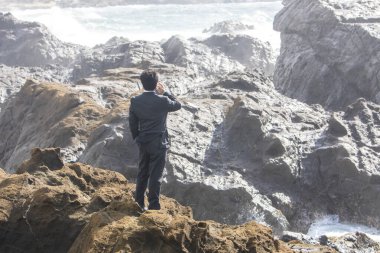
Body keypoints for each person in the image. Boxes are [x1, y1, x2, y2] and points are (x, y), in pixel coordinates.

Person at [129, 70, 181, 210]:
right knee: (156, 175)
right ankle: (154, 205)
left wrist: (137, 138)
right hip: (159, 142)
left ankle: (138, 203)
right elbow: (178, 105)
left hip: (143, 141)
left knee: (142, 173)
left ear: (142, 83)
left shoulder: (135, 101)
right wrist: (165, 92)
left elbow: (132, 123)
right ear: (157, 83)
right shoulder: (162, 100)